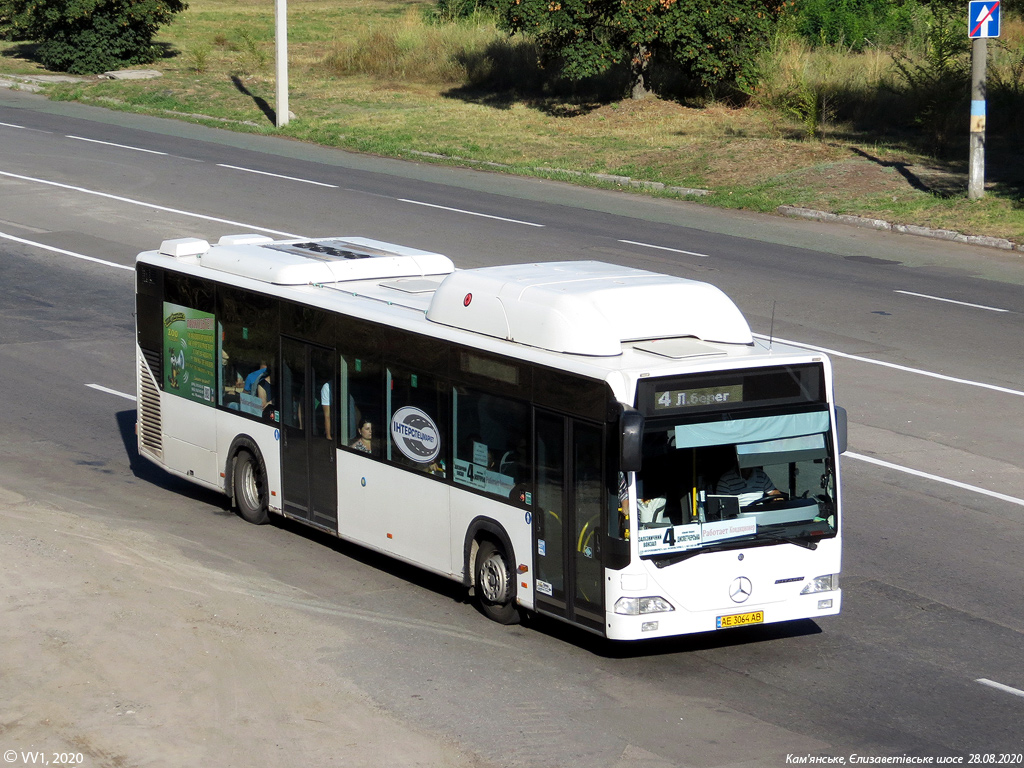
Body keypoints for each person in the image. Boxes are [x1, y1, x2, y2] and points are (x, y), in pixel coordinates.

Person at [716, 465, 782, 507]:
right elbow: (721, 504)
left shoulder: (761, 475)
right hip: (738, 517)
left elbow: (773, 492)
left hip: (761, 513)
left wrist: (777, 499)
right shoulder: (726, 479)